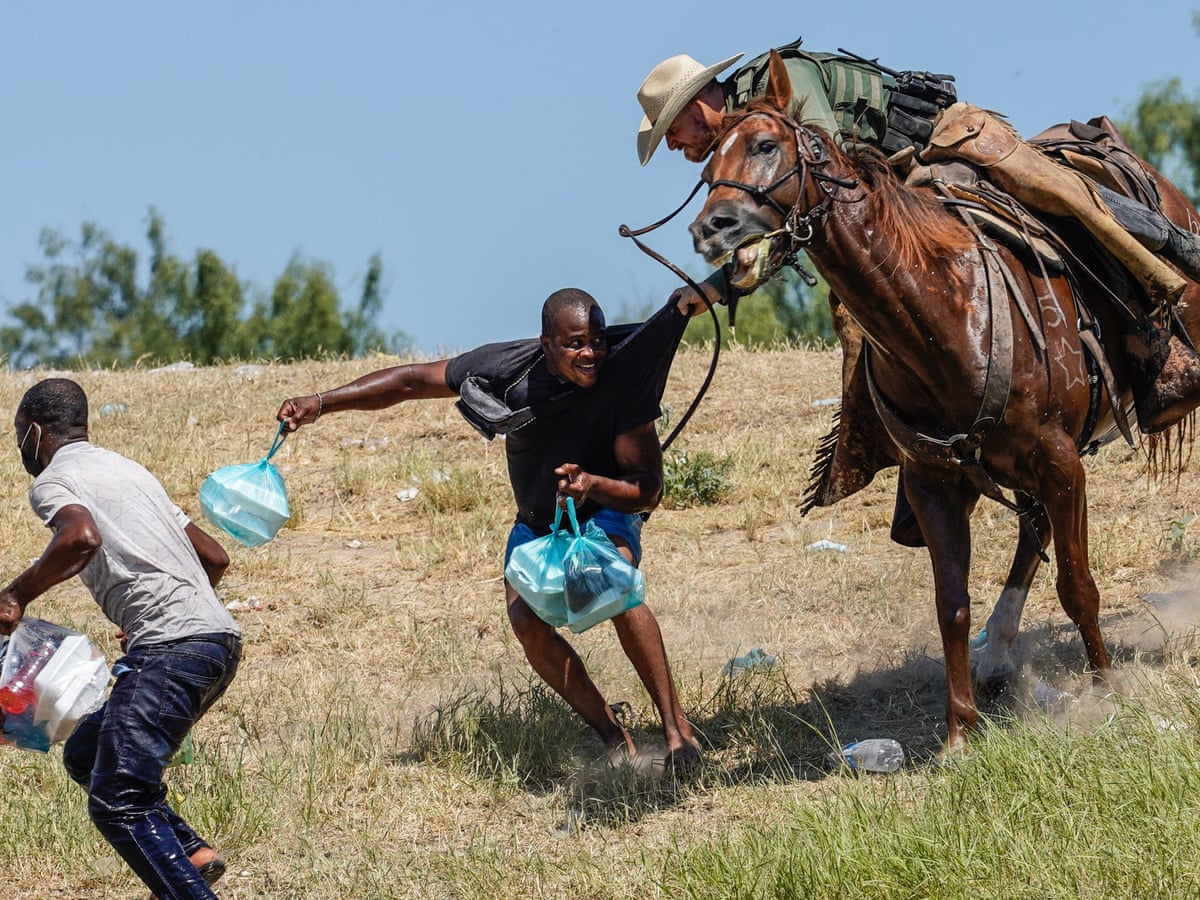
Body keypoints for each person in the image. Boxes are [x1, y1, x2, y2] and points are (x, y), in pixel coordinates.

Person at [636, 39, 1200, 434]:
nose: (671, 146)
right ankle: (907, 445)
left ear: (699, 102)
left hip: (945, 146)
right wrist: (719, 284)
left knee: (1059, 200)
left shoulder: (781, 83)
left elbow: (825, 183)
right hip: (894, 193)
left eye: (672, 129)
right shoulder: (745, 144)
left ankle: (1163, 318)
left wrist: (721, 283)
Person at [276, 289, 700, 770]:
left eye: (598, 341)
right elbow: (413, 382)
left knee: (613, 584)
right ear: (546, 344)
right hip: (538, 524)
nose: (591, 353)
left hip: (602, 509)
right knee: (526, 622)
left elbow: (648, 490)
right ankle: (613, 736)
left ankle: (676, 732)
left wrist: (593, 484)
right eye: (576, 343)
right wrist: (321, 403)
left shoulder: (624, 379)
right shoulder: (507, 367)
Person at [0, 378, 240, 899]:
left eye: (18, 434)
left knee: (118, 800)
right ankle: (190, 855)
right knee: (87, 753)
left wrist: (15, 595)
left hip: (173, 649)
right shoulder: (128, 470)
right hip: (217, 641)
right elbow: (214, 557)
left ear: (34, 432)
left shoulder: (54, 480)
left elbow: (80, 537)